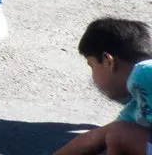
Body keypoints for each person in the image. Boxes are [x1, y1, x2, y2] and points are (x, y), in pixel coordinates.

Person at [53, 18, 152, 155]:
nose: (92, 77)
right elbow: (98, 136)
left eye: (92, 66)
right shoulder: (140, 102)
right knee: (121, 132)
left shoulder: (143, 73)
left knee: (120, 135)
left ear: (108, 61)